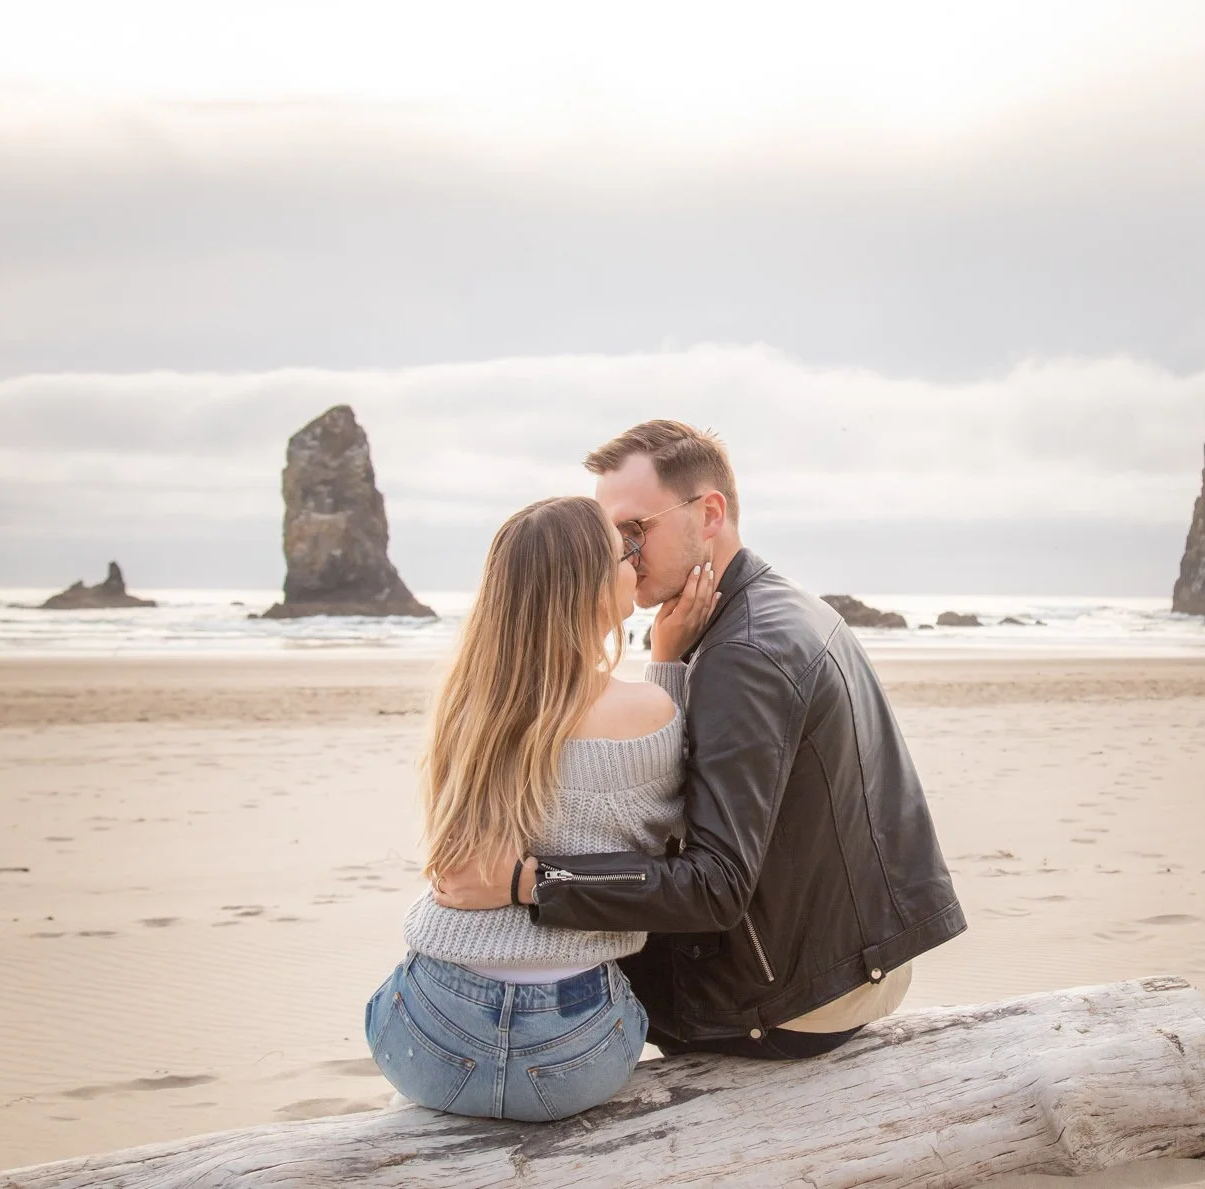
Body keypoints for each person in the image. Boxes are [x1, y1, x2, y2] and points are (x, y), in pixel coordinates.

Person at [434, 421, 966, 1060]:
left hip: (791, 996)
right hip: (851, 952)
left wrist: (532, 881)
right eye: (611, 537)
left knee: (522, 973)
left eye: (634, 530)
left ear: (708, 513)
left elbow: (713, 884)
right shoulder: (772, 608)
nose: (622, 557)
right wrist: (669, 663)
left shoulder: (742, 653)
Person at [364, 495, 720, 1120]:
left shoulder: (467, 706)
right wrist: (667, 662)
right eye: (622, 555)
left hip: (426, 1037)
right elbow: (674, 828)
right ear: (585, 587)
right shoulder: (652, 712)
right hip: (574, 1051)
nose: (634, 564)